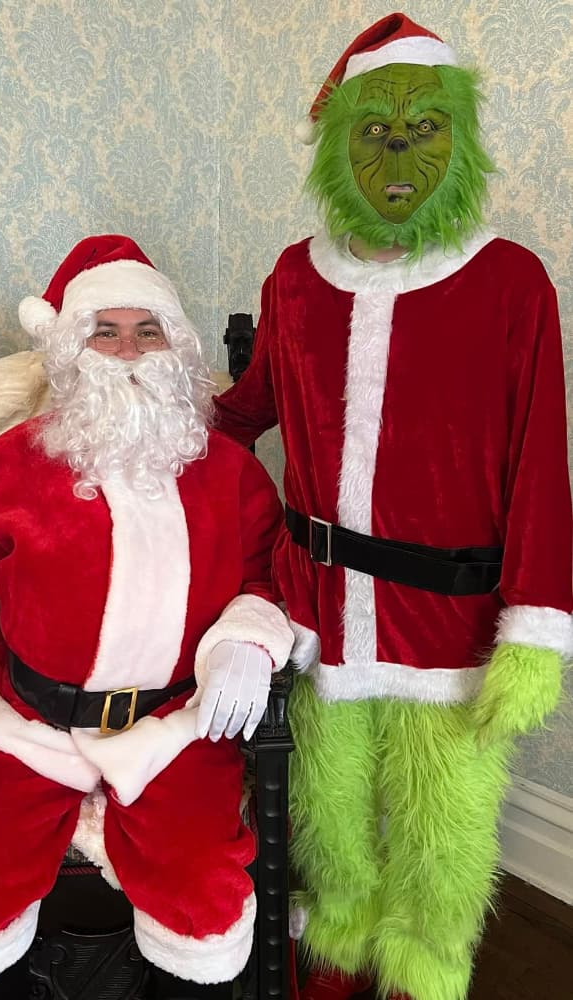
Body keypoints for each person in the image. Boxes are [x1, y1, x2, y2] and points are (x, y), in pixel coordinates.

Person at [214, 13, 572, 1000]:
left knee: (441, 830)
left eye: (424, 130)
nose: (398, 158)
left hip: (449, 622)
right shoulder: (295, 278)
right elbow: (244, 412)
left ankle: (424, 970)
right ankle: (334, 952)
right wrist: (143, 405)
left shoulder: (508, 283)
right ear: (337, 142)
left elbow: (539, 464)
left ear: (459, 140)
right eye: (375, 133)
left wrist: (534, 629)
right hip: (316, 610)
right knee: (329, 818)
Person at [0, 234, 294, 999]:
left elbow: (267, 576)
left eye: (146, 330)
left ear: (177, 349)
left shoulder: (231, 473)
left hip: (171, 731)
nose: (126, 351)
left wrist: (247, 641)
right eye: (103, 331)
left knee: (202, 907)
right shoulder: (8, 464)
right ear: (70, 351)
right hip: (23, 726)